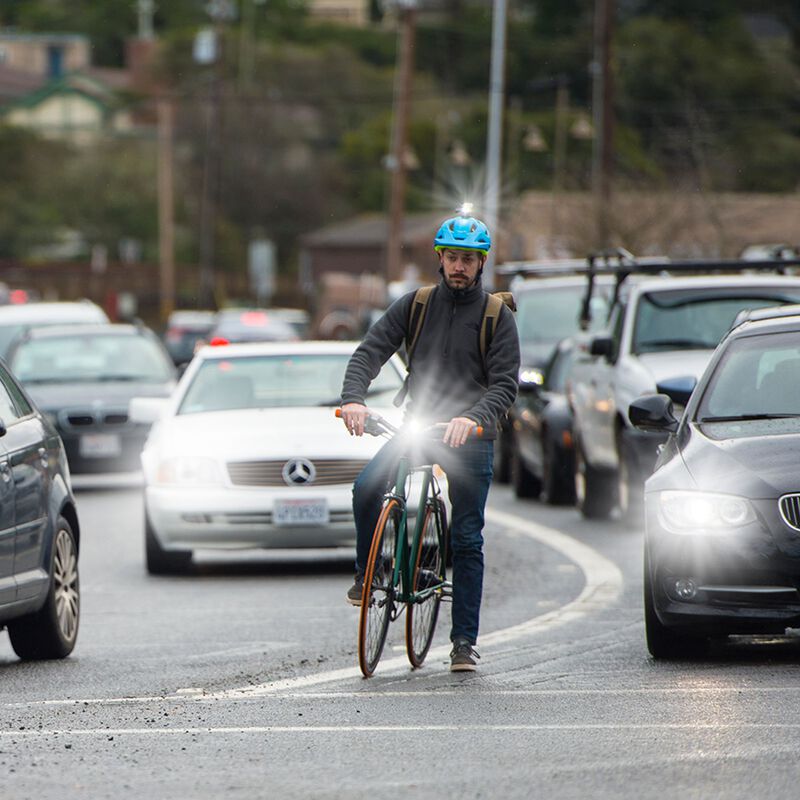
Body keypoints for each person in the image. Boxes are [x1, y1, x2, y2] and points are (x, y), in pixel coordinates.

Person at [339, 211, 520, 672]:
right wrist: (354, 399)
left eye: (468, 259)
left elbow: (505, 385)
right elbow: (370, 351)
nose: (459, 267)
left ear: (481, 264)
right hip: (418, 426)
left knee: (466, 538)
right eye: (452, 257)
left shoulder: (497, 317)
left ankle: (463, 643)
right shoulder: (415, 305)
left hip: (469, 436)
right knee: (365, 488)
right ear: (439, 258)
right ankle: (370, 571)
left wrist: (472, 418)